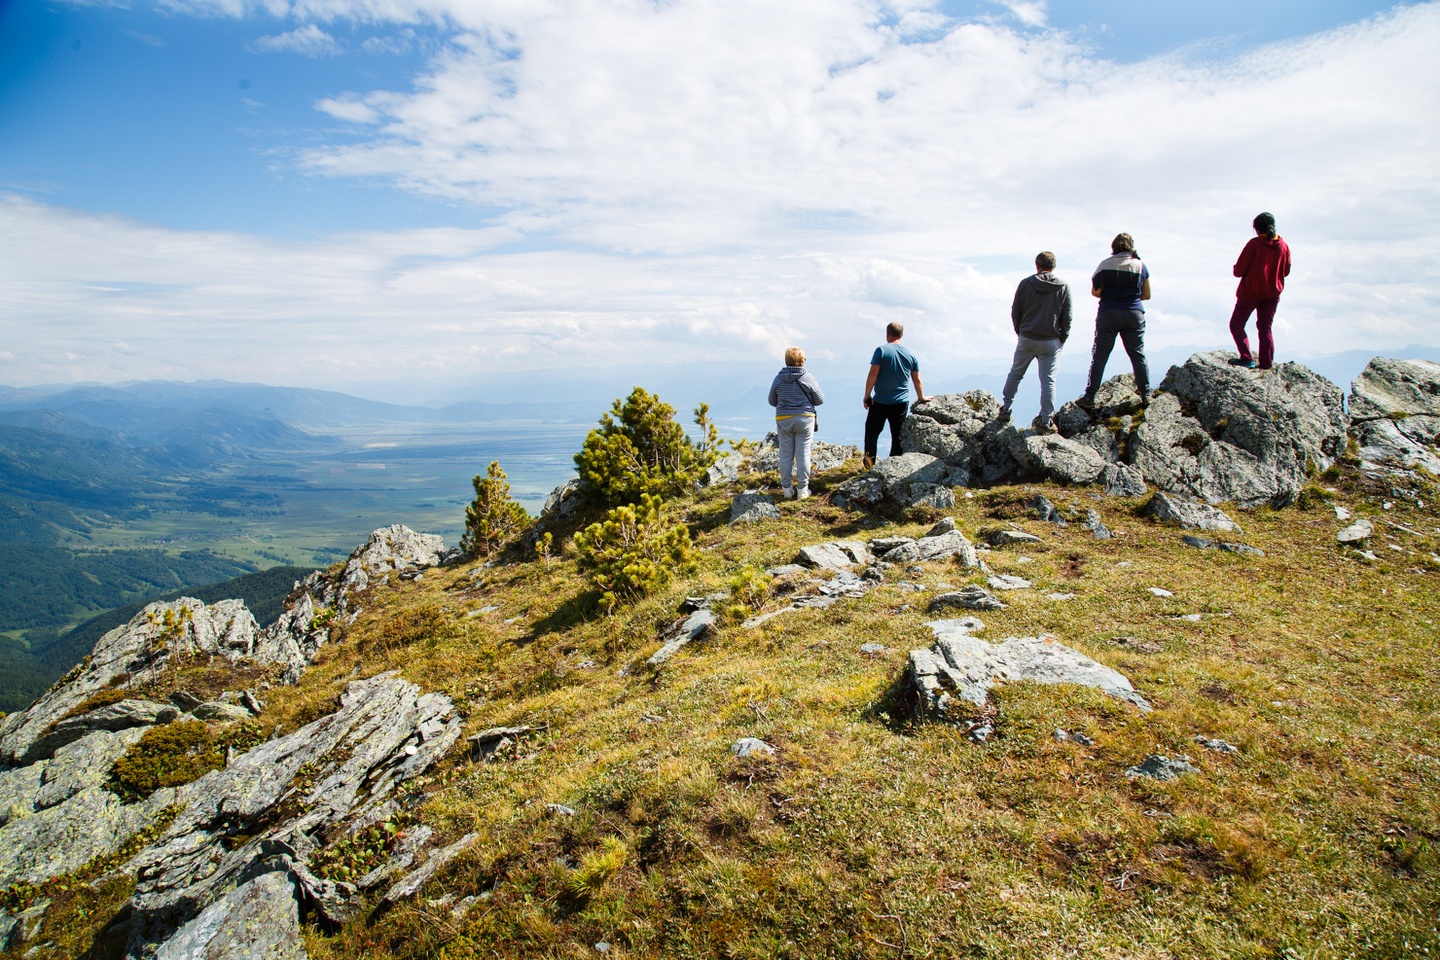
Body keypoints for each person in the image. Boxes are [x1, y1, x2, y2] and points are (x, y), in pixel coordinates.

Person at [999, 251, 1072, 433]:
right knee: (1048, 381)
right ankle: (1046, 420)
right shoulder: (1063, 286)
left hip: (1027, 337)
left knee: (1016, 373)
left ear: (1036, 265)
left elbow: (1016, 311)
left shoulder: (1025, 284)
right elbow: (1067, 317)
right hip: (1050, 341)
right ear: (1053, 266)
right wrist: (1062, 338)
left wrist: (1021, 331)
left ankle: (1005, 408)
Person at [1078, 233, 1150, 411]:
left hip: (1109, 313)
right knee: (1137, 354)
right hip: (1134, 313)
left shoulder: (1104, 265)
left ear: (1114, 247)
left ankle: (1089, 396)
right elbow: (1147, 294)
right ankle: (1146, 394)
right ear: (1131, 247)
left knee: (1100, 355)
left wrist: (1112, 294)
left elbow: (1095, 292)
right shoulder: (1140, 266)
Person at [1228, 212, 1291, 370]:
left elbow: (1239, 271)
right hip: (1272, 293)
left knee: (1236, 324)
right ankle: (1266, 364)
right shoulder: (1283, 246)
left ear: (1256, 229)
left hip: (1251, 292)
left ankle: (1247, 358)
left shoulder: (1254, 244)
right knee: (1265, 328)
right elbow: (1286, 271)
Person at [862, 322, 928, 467]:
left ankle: (868, 466)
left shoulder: (881, 351)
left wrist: (867, 395)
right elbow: (916, 378)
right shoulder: (911, 353)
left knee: (872, 434)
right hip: (901, 403)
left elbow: (873, 374)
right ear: (902, 335)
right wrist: (921, 397)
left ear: (887, 334)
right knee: (897, 436)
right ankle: (894, 466)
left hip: (880, 402)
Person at [768, 346, 825, 499]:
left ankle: (787, 490)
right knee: (803, 454)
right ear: (801, 362)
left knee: (785, 454)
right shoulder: (808, 377)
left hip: (783, 419)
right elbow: (820, 400)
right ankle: (802, 490)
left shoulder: (778, 378)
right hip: (805, 418)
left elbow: (771, 400)